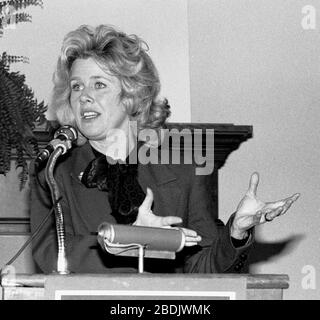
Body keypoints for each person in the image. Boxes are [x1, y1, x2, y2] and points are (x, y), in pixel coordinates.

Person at [30, 24, 300, 274]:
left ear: (131, 95)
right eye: (76, 86)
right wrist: (127, 242)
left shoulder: (185, 171)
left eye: (99, 84)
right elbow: (50, 258)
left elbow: (202, 269)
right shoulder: (53, 171)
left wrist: (236, 233)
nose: (83, 95)